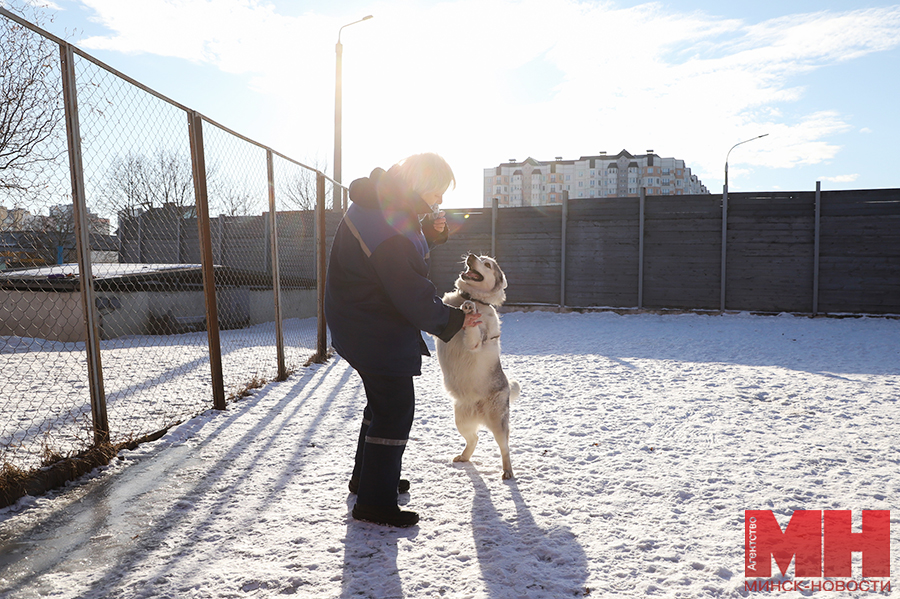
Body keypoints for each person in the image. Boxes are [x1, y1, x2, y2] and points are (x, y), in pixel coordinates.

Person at [324, 152, 481, 527]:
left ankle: (368, 481)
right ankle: (375, 502)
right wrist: (455, 319)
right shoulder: (388, 222)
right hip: (370, 324)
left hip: (358, 318)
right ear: (419, 185)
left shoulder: (382, 203)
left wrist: (429, 233)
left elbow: (395, 253)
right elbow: (409, 289)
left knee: (382, 404)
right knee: (394, 408)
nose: (439, 201)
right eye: (437, 193)